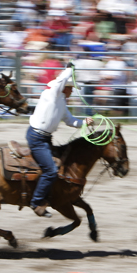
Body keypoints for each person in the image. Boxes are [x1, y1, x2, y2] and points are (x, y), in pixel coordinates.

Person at [26, 62, 94, 217]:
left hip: (44, 138)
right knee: (50, 170)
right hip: (37, 138)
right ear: (65, 87)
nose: (71, 91)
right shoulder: (53, 93)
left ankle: (49, 195)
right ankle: (36, 202)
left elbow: (70, 121)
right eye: (70, 88)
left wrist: (84, 123)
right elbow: (61, 80)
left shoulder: (61, 101)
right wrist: (69, 69)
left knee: (58, 166)